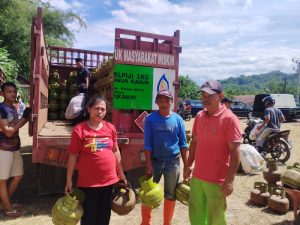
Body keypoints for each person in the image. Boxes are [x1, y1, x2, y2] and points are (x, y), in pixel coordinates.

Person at [183, 80, 242, 225]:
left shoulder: (229, 118)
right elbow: (195, 143)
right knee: (196, 216)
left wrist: (230, 181)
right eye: (203, 95)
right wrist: (188, 165)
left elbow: (235, 152)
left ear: (220, 96)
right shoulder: (199, 116)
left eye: (209, 95)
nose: (205, 98)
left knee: (215, 219)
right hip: (197, 178)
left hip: (217, 181)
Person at [65, 96, 127, 225]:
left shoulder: (110, 128)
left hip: (109, 181)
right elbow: (72, 156)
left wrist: (121, 174)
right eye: (97, 108)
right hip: (88, 184)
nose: (100, 112)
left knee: (104, 217)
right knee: (89, 217)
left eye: (103, 109)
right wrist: (69, 180)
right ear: (89, 109)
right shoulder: (80, 130)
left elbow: (115, 151)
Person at [142, 89, 188, 225]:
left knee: (170, 194)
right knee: (148, 193)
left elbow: (184, 144)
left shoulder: (178, 119)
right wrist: (148, 164)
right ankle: (145, 222)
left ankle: (167, 223)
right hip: (154, 162)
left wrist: (186, 165)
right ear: (156, 102)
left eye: (167, 100)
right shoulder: (150, 119)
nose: (164, 103)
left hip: (173, 163)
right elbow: (147, 144)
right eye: (161, 100)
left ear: (171, 102)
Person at [0, 82, 31, 218]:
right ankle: (7, 207)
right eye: (9, 92)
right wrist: (24, 118)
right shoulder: (1, 109)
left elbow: (15, 128)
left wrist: (25, 117)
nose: (12, 94)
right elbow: (8, 132)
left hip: (15, 147)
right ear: (2, 94)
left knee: (18, 176)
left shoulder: (13, 108)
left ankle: (3, 203)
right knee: (3, 180)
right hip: (3, 148)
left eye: (14, 91)